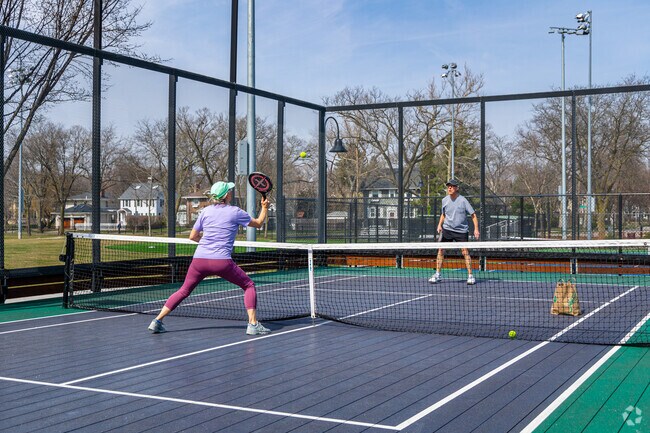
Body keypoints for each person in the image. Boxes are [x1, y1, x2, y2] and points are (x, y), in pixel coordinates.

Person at [148, 180, 271, 335]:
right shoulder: (235, 211)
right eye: (229, 191)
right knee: (249, 285)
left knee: (184, 290)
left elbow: (193, 236)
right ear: (226, 195)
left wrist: (208, 243)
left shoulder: (205, 212)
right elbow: (258, 223)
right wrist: (264, 208)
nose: (231, 193)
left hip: (199, 260)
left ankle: (157, 321)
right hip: (221, 262)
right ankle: (253, 324)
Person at [429, 179, 480, 285]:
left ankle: (470, 276)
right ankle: (437, 274)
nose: (449, 188)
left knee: (465, 252)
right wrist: (439, 225)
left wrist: (476, 229)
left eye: (452, 186)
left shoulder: (463, 200)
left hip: (461, 231)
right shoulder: (444, 200)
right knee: (441, 250)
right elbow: (443, 214)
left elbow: (473, 215)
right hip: (447, 229)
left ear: (457, 188)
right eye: (448, 186)